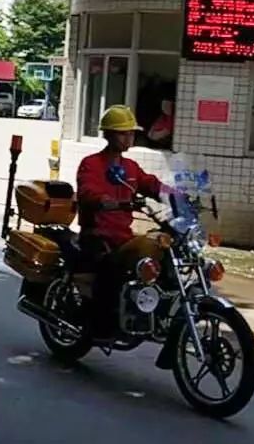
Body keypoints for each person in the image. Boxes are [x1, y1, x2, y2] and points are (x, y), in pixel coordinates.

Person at [76, 105, 167, 340]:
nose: (129, 138)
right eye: (123, 133)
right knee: (110, 270)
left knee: (160, 253)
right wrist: (102, 200)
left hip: (123, 237)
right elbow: (87, 190)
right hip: (97, 235)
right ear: (108, 134)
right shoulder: (91, 164)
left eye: (131, 133)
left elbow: (150, 183)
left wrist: (175, 194)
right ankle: (101, 324)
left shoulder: (130, 167)